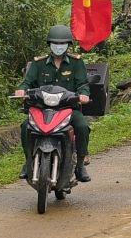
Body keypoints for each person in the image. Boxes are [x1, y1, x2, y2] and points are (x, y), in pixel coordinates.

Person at [15, 24, 92, 182]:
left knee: (83, 126)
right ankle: (28, 161)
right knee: (25, 127)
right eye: (55, 43)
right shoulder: (39, 63)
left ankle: (80, 164)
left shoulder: (76, 63)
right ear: (50, 45)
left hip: (68, 108)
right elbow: (27, 82)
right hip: (42, 108)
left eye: (62, 44)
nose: (58, 47)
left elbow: (83, 85)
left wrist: (83, 95)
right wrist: (21, 90)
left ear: (68, 45)